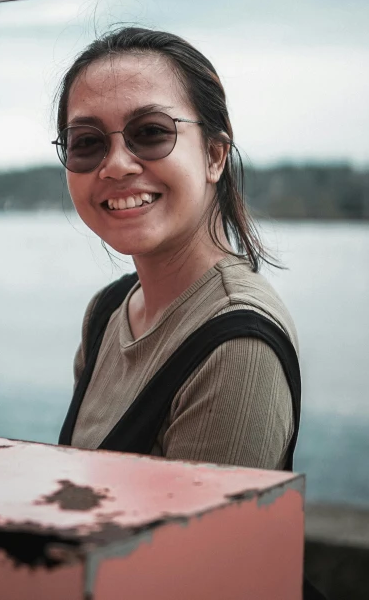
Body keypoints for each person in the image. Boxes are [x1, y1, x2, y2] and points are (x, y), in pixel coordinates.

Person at [54, 26, 299, 471]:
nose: (116, 165)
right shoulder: (108, 313)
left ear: (214, 156)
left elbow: (208, 543)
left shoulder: (235, 348)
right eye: (87, 142)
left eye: (149, 132)